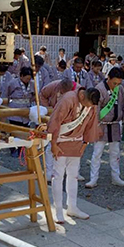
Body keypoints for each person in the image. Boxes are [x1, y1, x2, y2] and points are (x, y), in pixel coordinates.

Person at [47, 87, 100, 223]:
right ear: (82, 96)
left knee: (73, 176)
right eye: (88, 104)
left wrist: (84, 145)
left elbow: (90, 126)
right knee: (58, 176)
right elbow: (56, 120)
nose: (89, 107)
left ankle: (72, 207)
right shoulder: (68, 99)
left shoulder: (91, 106)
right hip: (60, 142)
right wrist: (53, 144)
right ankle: (58, 210)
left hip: (76, 143)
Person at [87, 67, 124, 189]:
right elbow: (95, 109)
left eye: (119, 83)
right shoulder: (99, 89)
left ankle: (116, 177)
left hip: (115, 124)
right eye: (114, 83)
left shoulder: (120, 89)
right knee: (97, 152)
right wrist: (96, 125)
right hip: (102, 124)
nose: (116, 85)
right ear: (108, 78)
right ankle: (93, 178)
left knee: (115, 152)